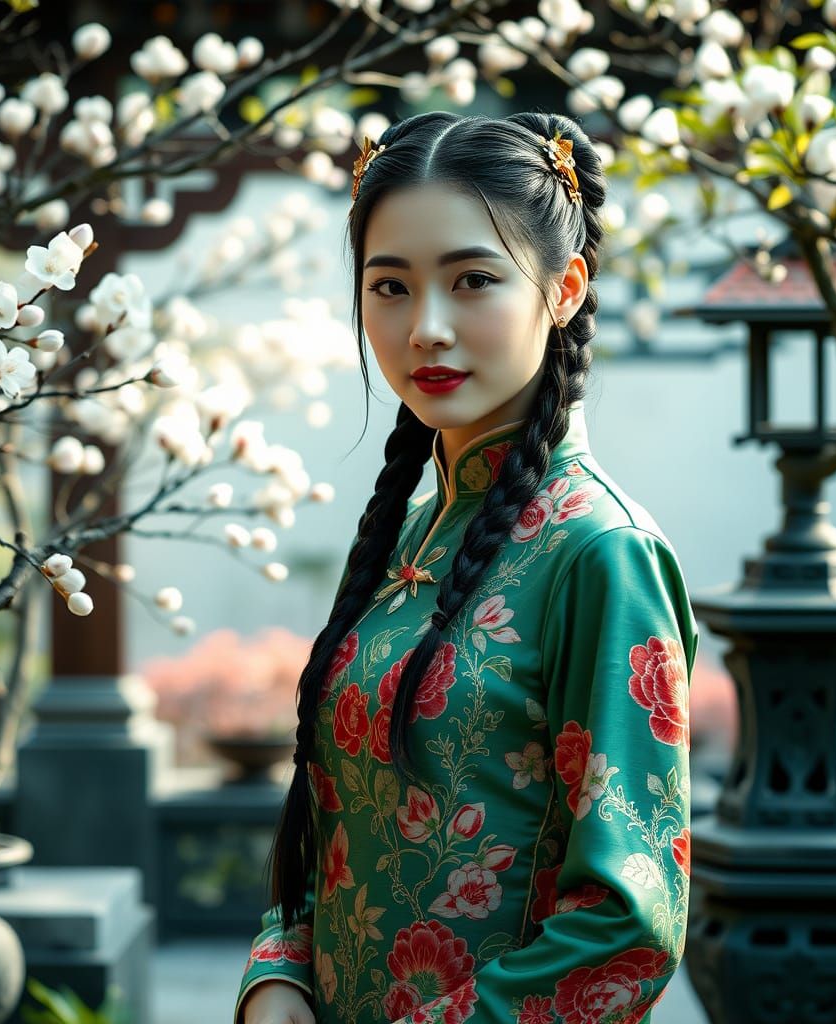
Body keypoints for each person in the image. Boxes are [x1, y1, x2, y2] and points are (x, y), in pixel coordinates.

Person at [236, 110, 699, 1024]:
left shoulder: (601, 556)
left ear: (564, 288)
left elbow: (628, 922)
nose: (426, 329)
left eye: (474, 280)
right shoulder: (398, 540)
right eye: (391, 287)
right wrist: (278, 972)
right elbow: (331, 832)